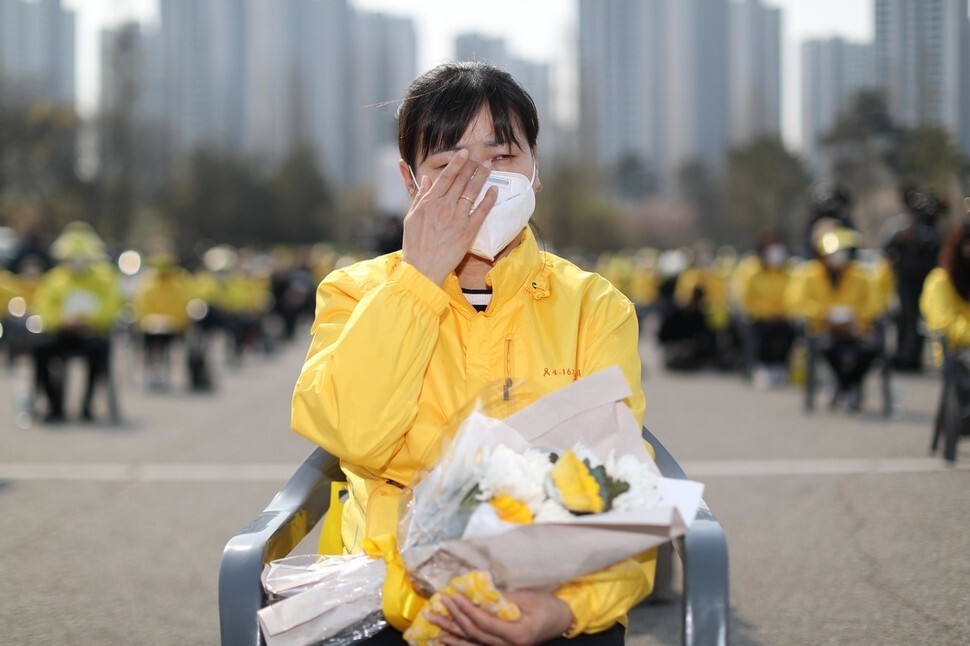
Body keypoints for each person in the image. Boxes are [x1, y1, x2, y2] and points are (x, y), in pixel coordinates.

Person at [291, 62, 650, 644]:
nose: (478, 178)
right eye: (448, 162)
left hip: (549, 588)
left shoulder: (593, 306)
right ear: (412, 182)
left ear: (535, 170)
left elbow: (615, 479)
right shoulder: (354, 293)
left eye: (503, 157)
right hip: (388, 592)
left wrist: (565, 610)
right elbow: (353, 435)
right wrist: (420, 277)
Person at [32, 224, 122, 422]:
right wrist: (61, 321)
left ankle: (87, 407)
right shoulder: (54, 279)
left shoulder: (104, 278)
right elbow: (44, 308)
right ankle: (55, 407)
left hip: (91, 334)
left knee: (99, 351)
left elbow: (112, 306)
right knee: (40, 351)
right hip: (61, 334)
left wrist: (89, 319)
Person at [785, 226, 878, 411]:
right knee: (828, 348)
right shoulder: (807, 274)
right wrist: (823, 314)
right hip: (823, 330)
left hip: (855, 330)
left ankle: (850, 386)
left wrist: (855, 317)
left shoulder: (860, 275)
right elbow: (795, 301)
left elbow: (874, 303)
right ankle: (846, 387)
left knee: (870, 349)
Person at [884, 187, 943, 371]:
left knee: (922, 322)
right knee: (904, 318)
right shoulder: (900, 228)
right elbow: (888, 250)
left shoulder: (933, 232)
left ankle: (915, 357)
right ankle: (903, 356)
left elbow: (938, 251)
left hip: (926, 281)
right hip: (905, 281)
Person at [733, 230, 794, 387]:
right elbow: (745, 297)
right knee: (759, 335)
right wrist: (766, 312)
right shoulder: (751, 269)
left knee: (789, 333)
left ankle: (780, 367)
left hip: (783, 317)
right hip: (758, 317)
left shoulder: (788, 270)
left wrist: (783, 312)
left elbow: (794, 295)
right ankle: (760, 367)